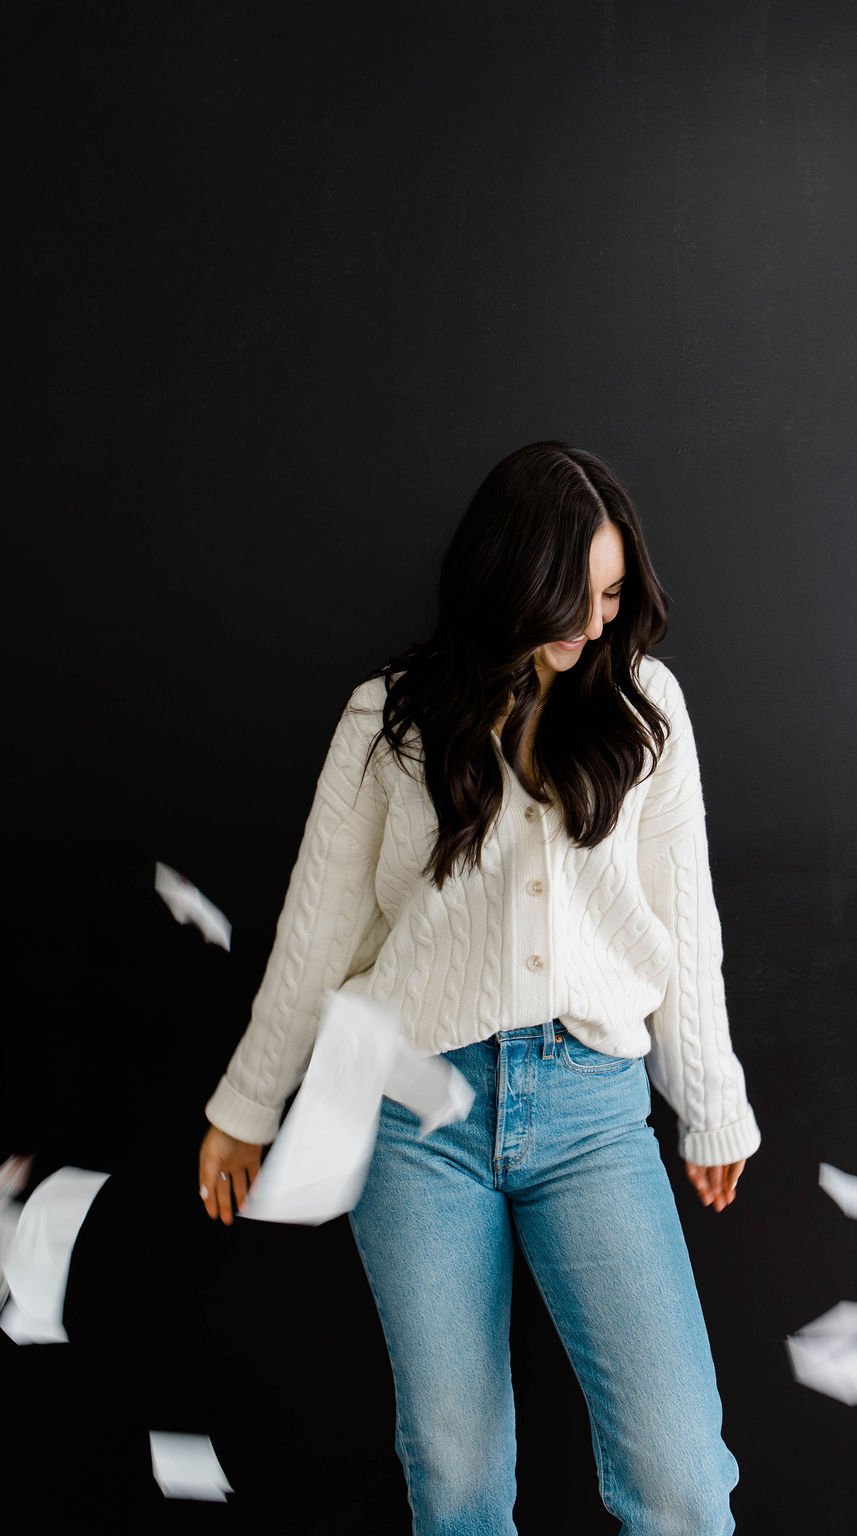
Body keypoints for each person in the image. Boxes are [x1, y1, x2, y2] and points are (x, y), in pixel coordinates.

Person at [198, 441, 761, 1536]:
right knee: (456, 1486)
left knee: (683, 1479)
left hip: (594, 1111)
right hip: (409, 1110)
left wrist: (711, 1101)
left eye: (610, 594)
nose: (595, 623)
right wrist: (244, 1107)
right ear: (507, 579)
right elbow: (318, 934)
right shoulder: (389, 717)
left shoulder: (646, 707)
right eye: (571, 595)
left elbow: (686, 926)